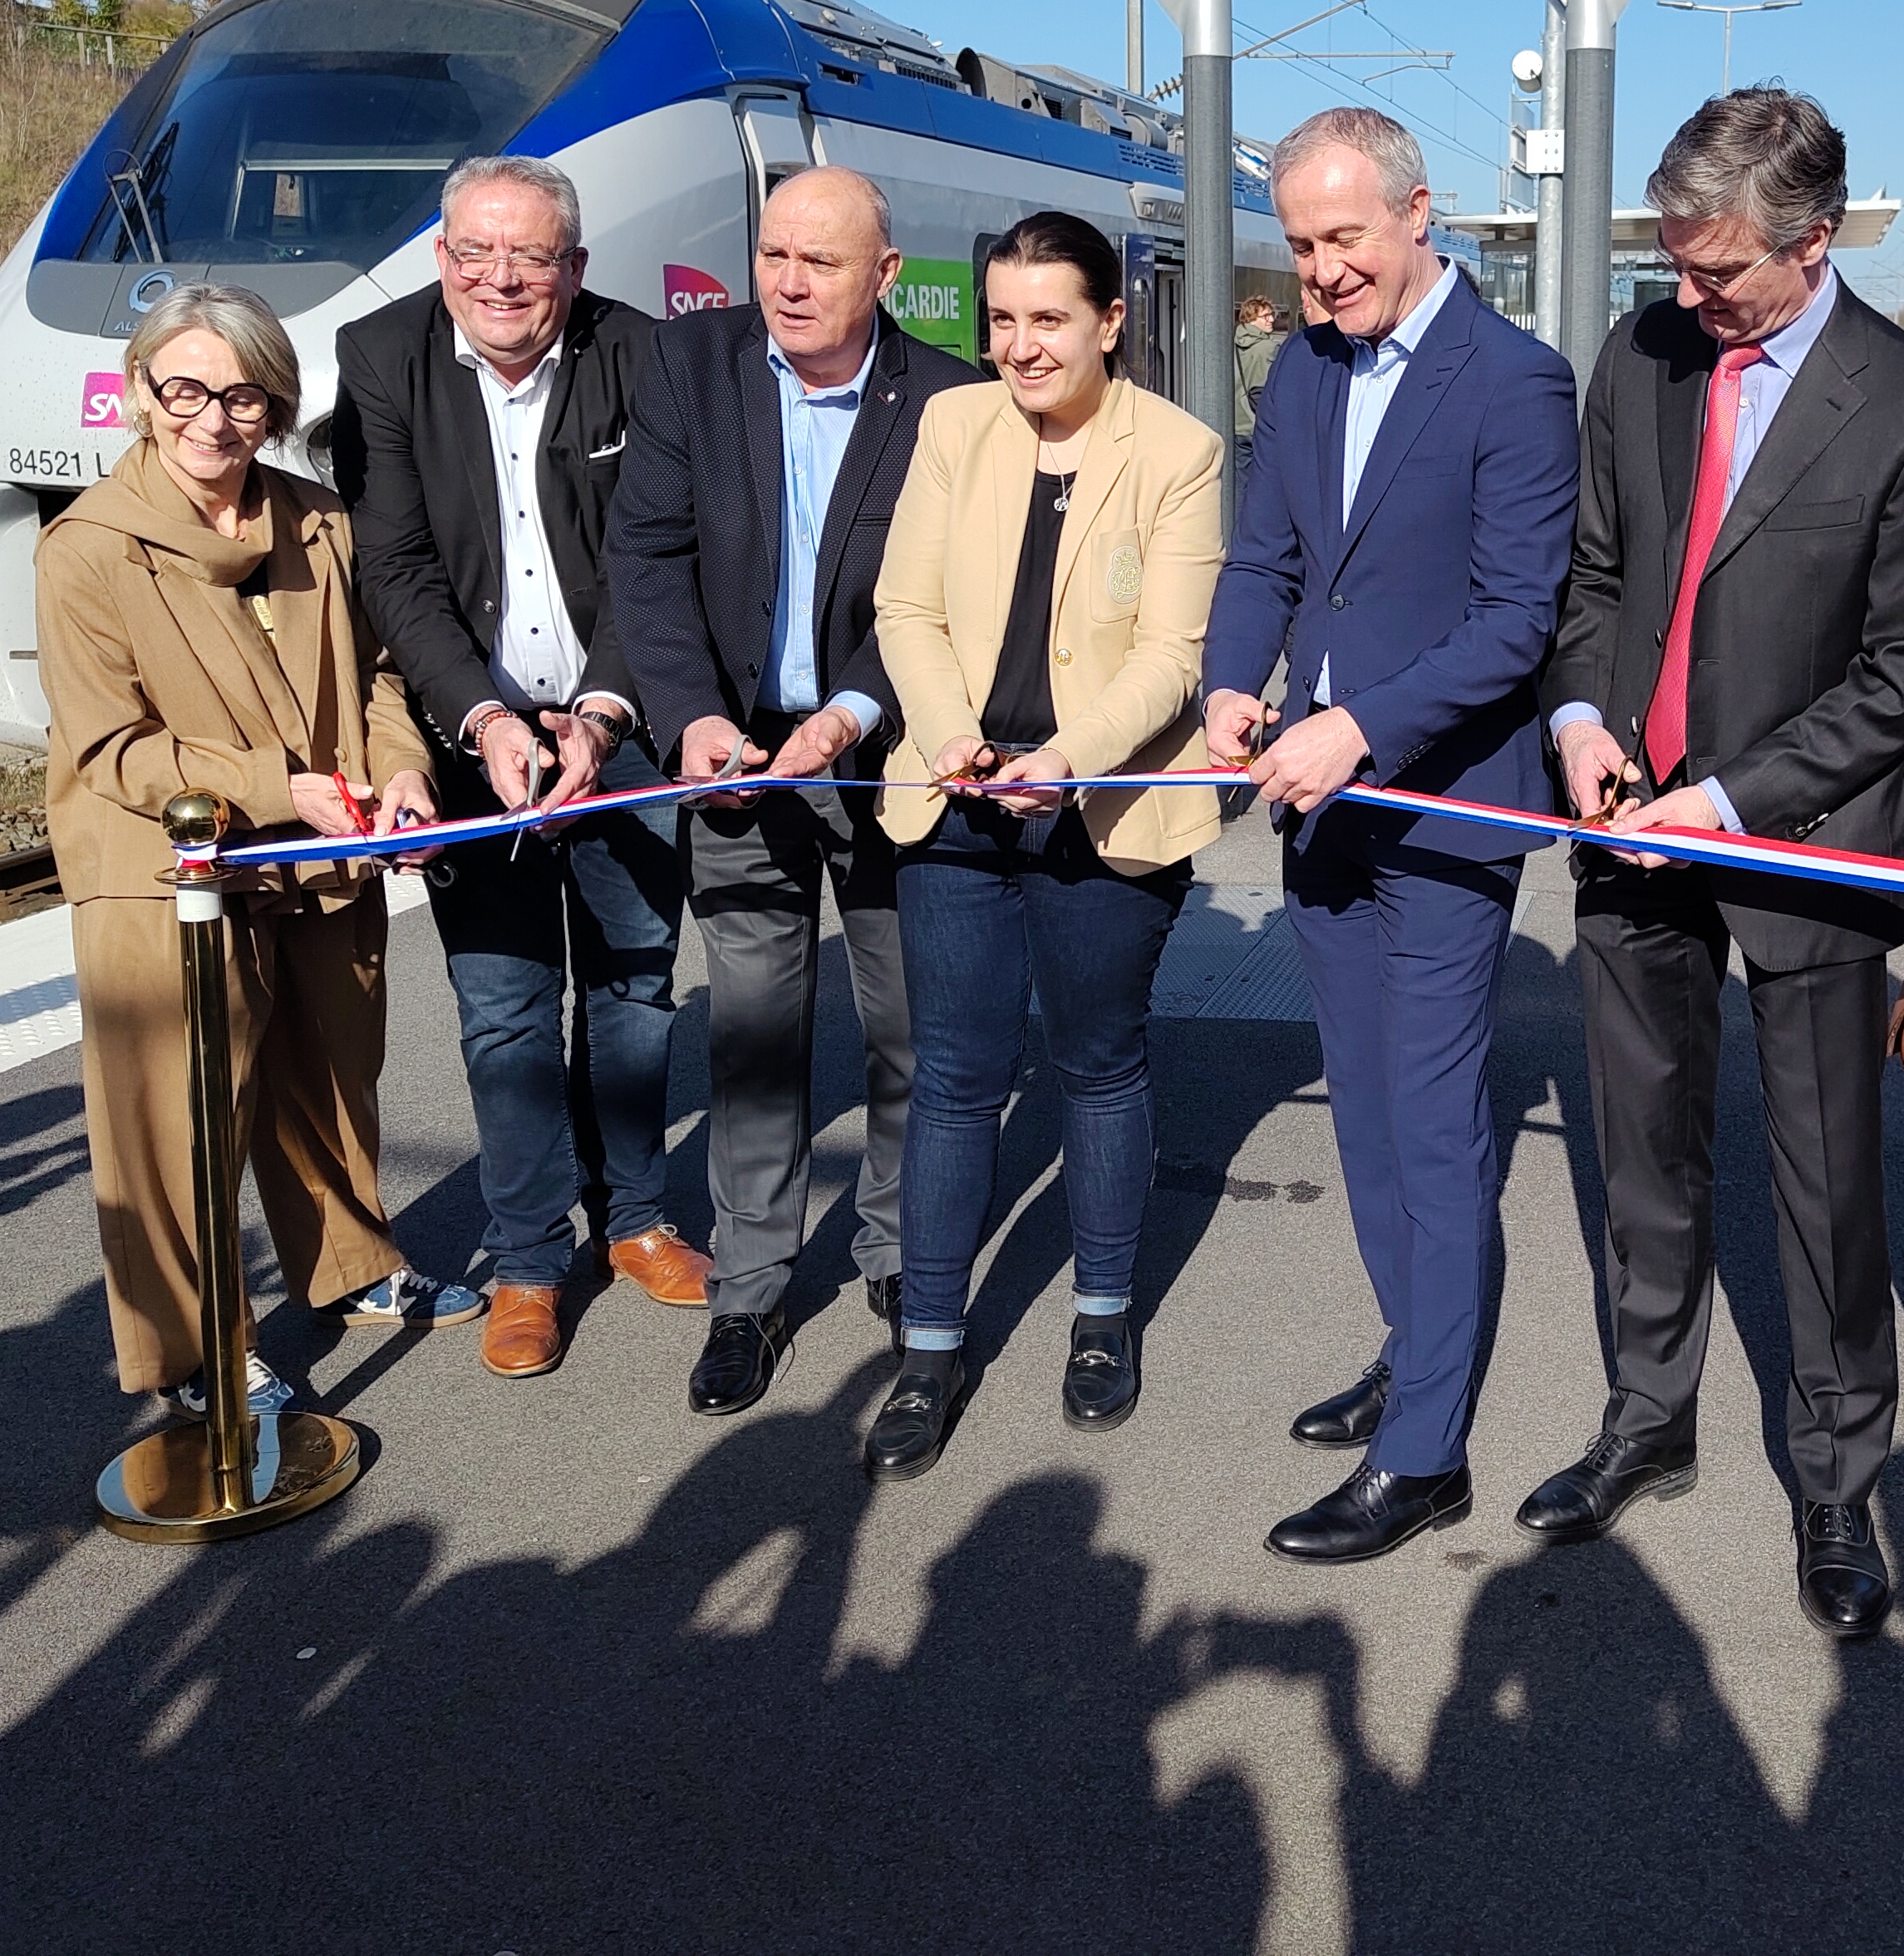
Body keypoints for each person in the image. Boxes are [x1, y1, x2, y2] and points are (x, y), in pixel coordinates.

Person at [1530, 86, 1904, 1638]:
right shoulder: (1640, 357)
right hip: (1622, 829)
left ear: (1814, 239)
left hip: (1800, 846)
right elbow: (1593, 572)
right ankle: (1646, 1417)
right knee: (1642, 1158)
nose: (1689, 295)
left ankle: (1839, 1475)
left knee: (1827, 1186)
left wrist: (1725, 795)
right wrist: (1583, 718)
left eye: (1717, 270)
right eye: (1673, 261)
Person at [1203, 106, 1577, 1564]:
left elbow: (1513, 624)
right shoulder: (1299, 375)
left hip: (1440, 808)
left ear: (1422, 216)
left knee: (1432, 1129)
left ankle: (1426, 1455)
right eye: (1298, 247)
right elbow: (1267, 559)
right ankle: (1414, 1345)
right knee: (1361, 1113)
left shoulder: (1515, 382)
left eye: (1343, 239)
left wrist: (1358, 728)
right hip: (1319, 811)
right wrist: (1235, 680)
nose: (1321, 273)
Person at [37, 281, 480, 1421]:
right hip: (169, 874)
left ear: (275, 404)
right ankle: (193, 1354)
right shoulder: (85, 551)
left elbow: (380, 679)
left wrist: (405, 771)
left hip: (322, 851)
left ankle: (352, 1266)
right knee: (180, 1117)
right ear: (140, 395)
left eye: (242, 395)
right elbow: (113, 749)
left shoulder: (319, 521)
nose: (212, 418)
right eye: (183, 388)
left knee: (330, 1074)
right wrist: (271, 789)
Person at [608, 165, 987, 1417]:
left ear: (885, 277)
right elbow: (648, 560)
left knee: (905, 1029)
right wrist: (693, 717)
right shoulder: (691, 368)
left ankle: (892, 1251)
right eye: (773, 254)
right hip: (734, 764)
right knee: (756, 1034)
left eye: (820, 263)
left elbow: (952, 601)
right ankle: (751, 1292)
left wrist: (856, 710)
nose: (787, 282)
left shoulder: (947, 399)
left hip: (883, 759)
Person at [856, 212, 1226, 1476]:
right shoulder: (954, 424)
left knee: (1097, 1065)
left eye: (1049, 319)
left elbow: (1175, 660)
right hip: (955, 800)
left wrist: (1063, 761)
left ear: (1110, 323)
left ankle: (1104, 1319)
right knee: (954, 1074)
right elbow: (903, 605)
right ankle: (929, 1346)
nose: (1020, 346)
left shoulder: (1178, 451)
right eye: (1003, 319)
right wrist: (960, 743)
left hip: (1102, 812)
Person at [333, 154, 707, 1382]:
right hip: (468, 736)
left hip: (624, 720)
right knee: (502, 1014)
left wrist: (598, 717)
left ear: (575, 269)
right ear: (443, 259)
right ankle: (529, 1260)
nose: (503, 279)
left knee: (636, 989)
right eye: (477, 253)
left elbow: (661, 555)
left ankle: (639, 1219)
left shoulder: (644, 358)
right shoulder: (379, 361)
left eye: (532, 256)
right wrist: (486, 721)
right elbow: (394, 570)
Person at [1232, 293, 1287, 484]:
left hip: (1237, 423)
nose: (1272, 320)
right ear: (1251, 318)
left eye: (1272, 315)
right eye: (1266, 316)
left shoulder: (1231, 345)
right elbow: (1269, 389)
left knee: (1241, 483)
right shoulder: (1268, 348)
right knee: (1263, 483)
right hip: (1257, 423)